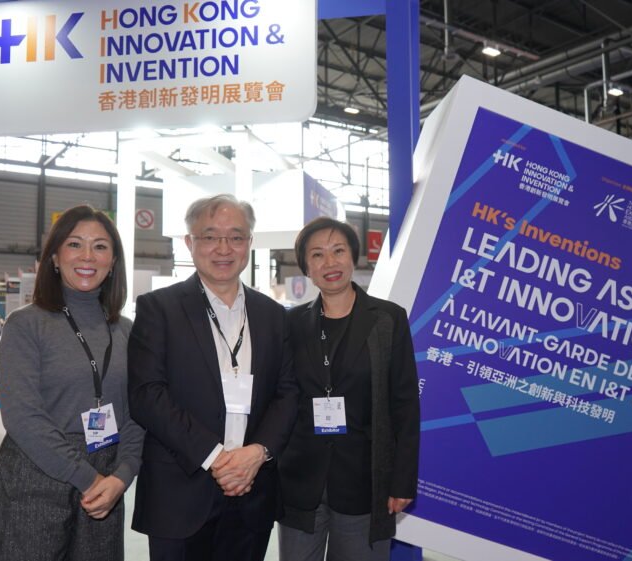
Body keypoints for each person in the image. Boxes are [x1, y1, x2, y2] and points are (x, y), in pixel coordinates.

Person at [128, 194, 298, 561]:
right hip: (179, 493)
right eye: (209, 236)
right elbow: (147, 395)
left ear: (249, 243)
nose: (223, 248)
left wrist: (258, 452)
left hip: (253, 490)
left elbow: (287, 393)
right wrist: (217, 457)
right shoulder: (159, 308)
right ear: (189, 242)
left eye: (236, 237)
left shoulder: (273, 315)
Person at [0, 204, 144, 561]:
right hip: (37, 473)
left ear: (113, 261)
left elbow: (138, 412)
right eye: (74, 244)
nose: (87, 256)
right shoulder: (27, 324)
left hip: (107, 477)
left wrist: (122, 475)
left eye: (100, 246)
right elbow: (23, 416)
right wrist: (87, 478)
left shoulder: (126, 330)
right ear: (55, 257)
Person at [278, 217, 420, 561]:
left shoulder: (387, 319)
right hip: (300, 481)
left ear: (353, 257)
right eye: (317, 255)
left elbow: (404, 404)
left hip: (365, 481)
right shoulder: (291, 323)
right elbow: (280, 397)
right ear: (306, 268)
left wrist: (402, 480)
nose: (330, 262)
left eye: (338, 251)